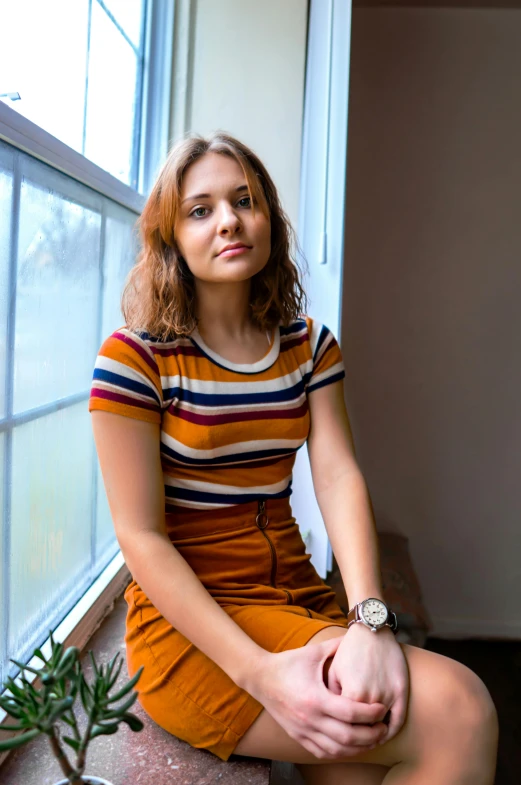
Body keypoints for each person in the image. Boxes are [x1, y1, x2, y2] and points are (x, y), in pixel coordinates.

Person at [89, 132, 498, 784]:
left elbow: (337, 476)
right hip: (193, 633)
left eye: (243, 200)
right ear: (169, 235)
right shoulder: (133, 360)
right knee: (461, 708)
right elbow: (139, 536)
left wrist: (368, 619)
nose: (227, 219)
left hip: (297, 600)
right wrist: (261, 674)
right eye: (199, 209)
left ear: (267, 218)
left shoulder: (307, 346)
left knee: (358, 758)